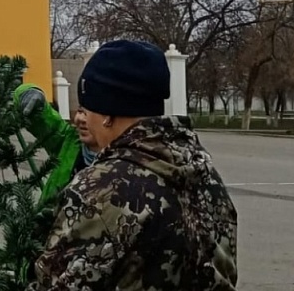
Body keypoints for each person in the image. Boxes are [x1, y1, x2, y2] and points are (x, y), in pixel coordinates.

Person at [32, 39, 238, 290]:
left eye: (87, 108)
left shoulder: (100, 191)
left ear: (107, 114)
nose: (81, 119)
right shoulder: (206, 176)